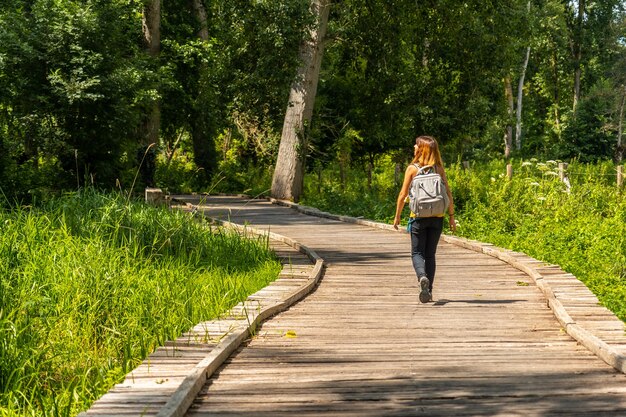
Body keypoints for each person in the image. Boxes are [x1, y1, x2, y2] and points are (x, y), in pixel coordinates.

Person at [393, 135, 456, 303]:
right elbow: (448, 194)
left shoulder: (412, 169)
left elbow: (402, 194)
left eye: (416, 145)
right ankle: (429, 290)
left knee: (417, 252)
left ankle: (422, 277)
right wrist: (451, 216)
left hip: (418, 218)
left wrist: (397, 216)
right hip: (437, 217)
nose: (414, 146)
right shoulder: (438, 168)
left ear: (421, 149)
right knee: (430, 254)